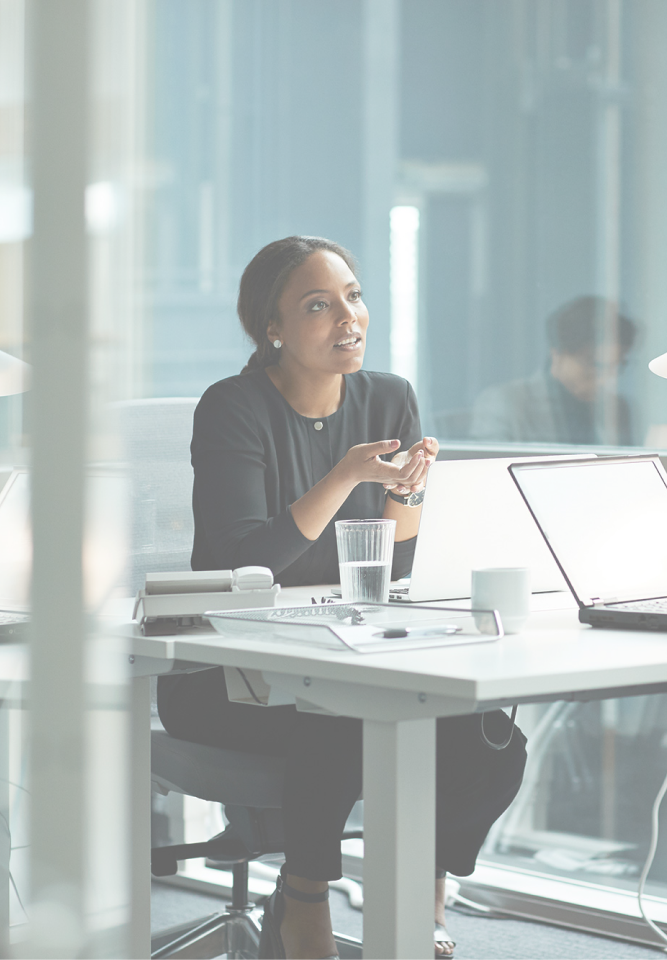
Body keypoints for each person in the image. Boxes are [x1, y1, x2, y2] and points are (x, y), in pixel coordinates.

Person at [156, 236, 527, 960]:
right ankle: (303, 900)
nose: (347, 317)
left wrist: (408, 490)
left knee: (489, 739)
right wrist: (344, 478)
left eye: (353, 296)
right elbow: (244, 564)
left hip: (343, 651)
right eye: (318, 305)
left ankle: (424, 892)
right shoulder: (232, 407)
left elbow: (398, 567)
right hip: (223, 673)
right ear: (273, 327)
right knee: (345, 716)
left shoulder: (389, 397)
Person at [470, 296, 638, 446]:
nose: (604, 380)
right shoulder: (506, 402)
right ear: (557, 354)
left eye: (615, 367)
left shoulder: (617, 408)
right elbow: (489, 472)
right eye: (593, 364)